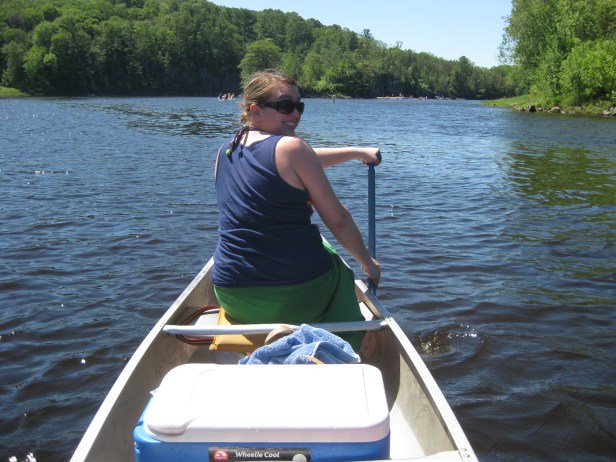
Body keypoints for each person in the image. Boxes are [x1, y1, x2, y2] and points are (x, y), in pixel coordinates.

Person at [212, 69, 381, 349]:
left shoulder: (226, 150)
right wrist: (368, 264)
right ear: (255, 110)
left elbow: (290, 160)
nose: (295, 114)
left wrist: (355, 152)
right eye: (285, 106)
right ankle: (334, 348)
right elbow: (338, 219)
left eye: (299, 106)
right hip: (292, 296)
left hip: (232, 293)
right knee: (338, 267)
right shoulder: (293, 148)